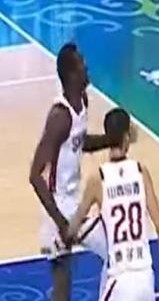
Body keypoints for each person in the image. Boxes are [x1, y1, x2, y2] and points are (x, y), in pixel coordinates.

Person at [29, 43, 120, 300]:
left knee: (68, 280)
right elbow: (35, 176)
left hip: (74, 200)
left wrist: (110, 140)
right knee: (112, 252)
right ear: (71, 74)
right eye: (81, 64)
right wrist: (61, 223)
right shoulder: (59, 117)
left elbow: (80, 143)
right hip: (58, 206)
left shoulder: (82, 102)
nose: (86, 67)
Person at [67, 107, 159, 301]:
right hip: (145, 278)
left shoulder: (99, 178)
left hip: (120, 281)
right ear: (126, 138)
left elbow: (75, 225)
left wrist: (66, 238)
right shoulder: (141, 172)